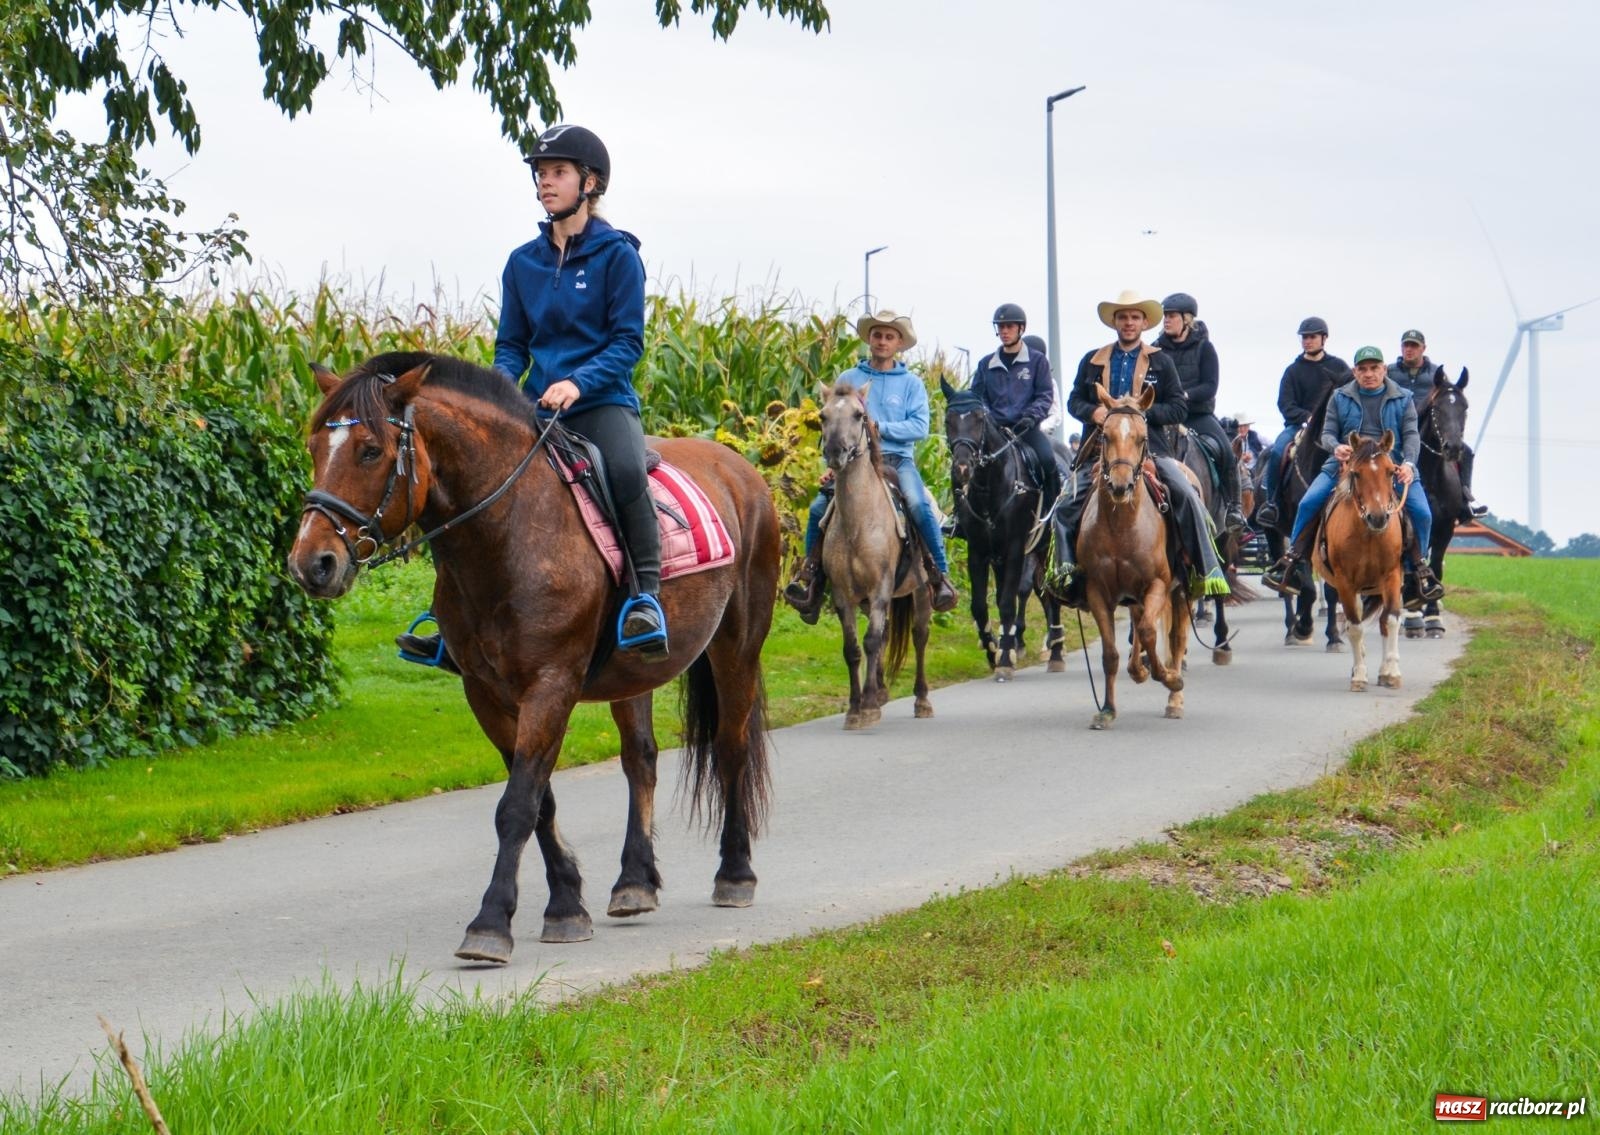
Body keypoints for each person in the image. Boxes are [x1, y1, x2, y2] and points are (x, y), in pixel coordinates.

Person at [396, 123, 667, 667]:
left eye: (558, 172)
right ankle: (448, 621)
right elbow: (513, 345)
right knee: (470, 490)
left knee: (624, 470)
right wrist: (499, 393)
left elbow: (627, 342)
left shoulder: (618, 257)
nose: (545, 182)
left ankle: (646, 597)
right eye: (541, 173)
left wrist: (578, 382)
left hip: (601, 403)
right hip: (535, 409)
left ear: (589, 182)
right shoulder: (523, 262)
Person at [1047, 290, 1230, 606]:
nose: (1128, 323)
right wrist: (1095, 412)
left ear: (1144, 322)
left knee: (1186, 495)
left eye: (1134, 317)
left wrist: (1138, 414)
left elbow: (1177, 408)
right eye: (1122, 317)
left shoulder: (1161, 361)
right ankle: (1067, 575)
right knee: (1064, 506)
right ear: (1114, 322)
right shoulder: (1093, 360)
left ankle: (1204, 570)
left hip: (1151, 450)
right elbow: (1074, 400)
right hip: (1100, 450)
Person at [783, 310, 959, 622]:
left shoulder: (911, 384)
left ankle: (939, 576)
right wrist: (834, 465)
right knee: (816, 510)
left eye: (889, 336)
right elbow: (834, 424)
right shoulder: (848, 379)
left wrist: (882, 427)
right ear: (869, 340)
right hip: (853, 464)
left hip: (896, 460)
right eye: (877, 335)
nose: (882, 341)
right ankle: (810, 580)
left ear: (899, 343)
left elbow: (919, 426)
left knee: (919, 505)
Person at [1262, 345, 1444, 602]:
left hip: (1392, 468)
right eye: (1362, 369)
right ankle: (1292, 562)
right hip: (1345, 467)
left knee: (1423, 513)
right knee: (1308, 502)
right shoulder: (1339, 397)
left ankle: (1418, 571)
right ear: (1355, 372)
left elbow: (1412, 435)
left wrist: (1409, 465)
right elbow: (1326, 433)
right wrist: (1335, 447)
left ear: (1384, 369)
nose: (1368, 374)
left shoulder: (1403, 398)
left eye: (1374, 368)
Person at [1154, 292, 1245, 533]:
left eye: (1171, 316)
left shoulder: (1205, 348)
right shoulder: (1155, 349)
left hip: (1197, 415)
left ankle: (1234, 508)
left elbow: (1210, 385)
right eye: (1165, 316)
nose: (1166, 320)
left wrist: (1185, 395)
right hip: (1165, 415)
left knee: (1225, 450)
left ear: (1187, 319)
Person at [1255, 317, 1351, 528]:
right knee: (1278, 451)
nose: (1307, 341)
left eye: (1312, 337)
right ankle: (1271, 503)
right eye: (1304, 337)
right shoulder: (1293, 370)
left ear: (1324, 338)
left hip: (1335, 428)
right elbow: (1285, 403)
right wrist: (1307, 418)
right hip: (1298, 426)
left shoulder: (1340, 367)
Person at [1387, 328, 1489, 522]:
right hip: (1396, 430)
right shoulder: (1390, 372)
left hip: (1425, 428)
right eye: (1406, 345)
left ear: (1423, 348)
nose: (1409, 349)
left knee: (1465, 452)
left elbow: (1449, 400)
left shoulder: (1436, 373)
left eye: (1414, 346)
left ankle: (1465, 499)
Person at [971, 303, 1060, 511]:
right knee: (963, 463)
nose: (1004, 331)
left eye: (1009, 326)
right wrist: (988, 417)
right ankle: (960, 517)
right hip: (993, 430)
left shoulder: (1038, 362)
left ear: (1021, 328)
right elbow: (978, 396)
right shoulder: (986, 364)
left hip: (1026, 429)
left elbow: (1045, 395)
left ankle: (1053, 512)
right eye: (1000, 327)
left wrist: (1031, 416)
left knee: (1048, 460)